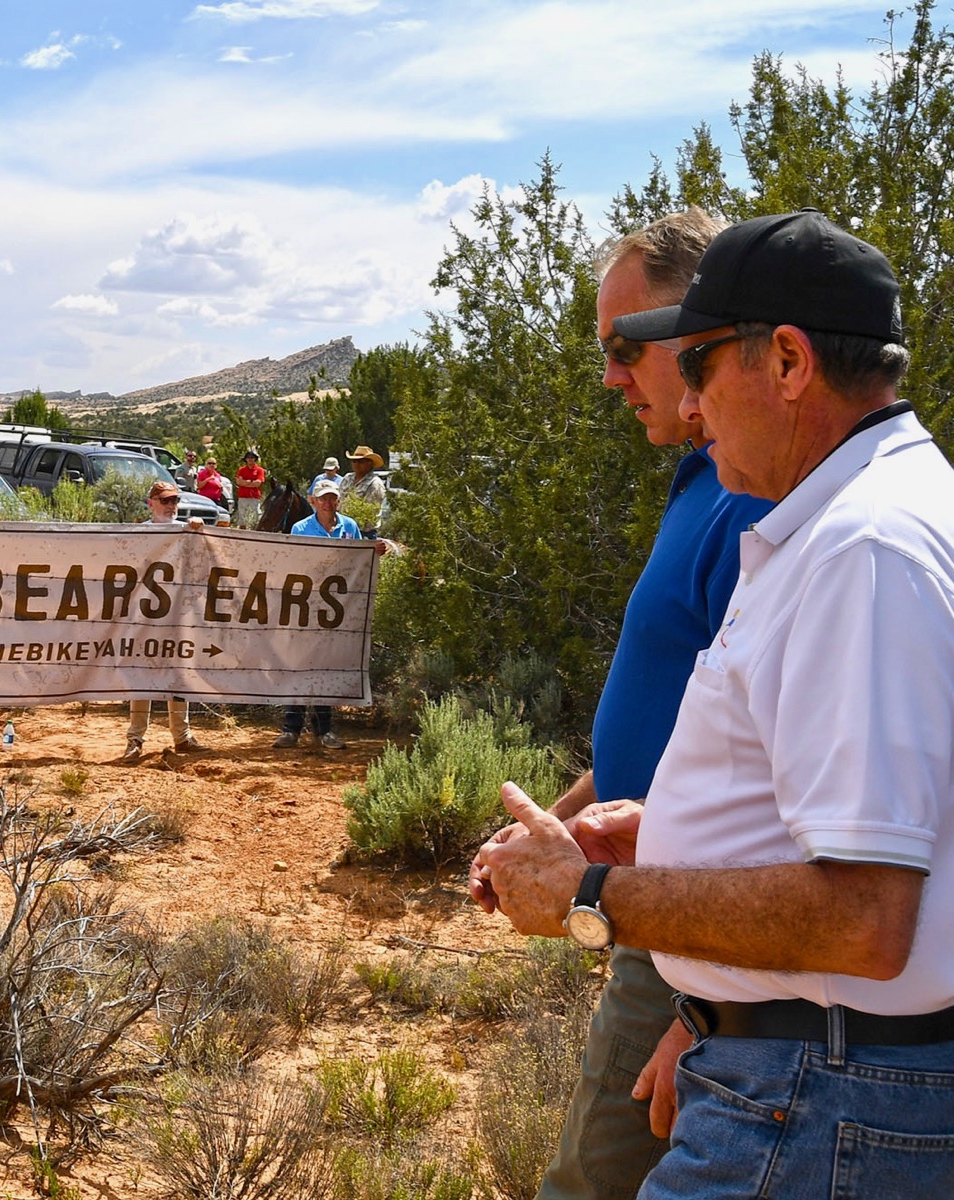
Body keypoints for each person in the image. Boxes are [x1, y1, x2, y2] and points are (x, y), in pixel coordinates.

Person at [478, 211, 954, 1197]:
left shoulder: (862, 549)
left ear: (785, 361)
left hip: (815, 1099)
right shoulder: (858, 519)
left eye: (693, 364)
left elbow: (865, 918)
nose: (686, 403)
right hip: (814, 1083)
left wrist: (586, 900)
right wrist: (674, 834)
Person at [468, 210, 771, 1200]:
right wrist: (560, 823)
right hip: (659, 902)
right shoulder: (707, 481)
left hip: (699, 926)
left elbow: (777, 767)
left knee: (591, 1177)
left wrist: (717, 1013)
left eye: (621, 347)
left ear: (696, 331)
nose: (610, 377)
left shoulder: (755, 501)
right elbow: (687, 725)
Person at [273, 478, 387, 750]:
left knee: (326, 666)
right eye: (323, 498)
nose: (328, 502)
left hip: (338, 609)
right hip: (306, 606)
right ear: (314, 500)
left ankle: (324, 729)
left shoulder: (349, 526)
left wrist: (375, 551)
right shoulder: (301, 528)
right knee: (299, 665)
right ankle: (292, 728)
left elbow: (360, 559)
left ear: (338, 500)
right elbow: (292, 561)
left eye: (332, 497)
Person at [123, 480, 205, 761]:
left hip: (179, 614)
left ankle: (182, 737)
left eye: (174, 501)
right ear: (152, 503)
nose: (171, 506)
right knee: (141, 674)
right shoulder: (141, 533)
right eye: (166, 501)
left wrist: (198, 532)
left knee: (179, 673)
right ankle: (135, 739)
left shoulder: (187, 530)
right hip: (146, 615)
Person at [339, 445, 387, 511]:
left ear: (370, 463)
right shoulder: (347, 478)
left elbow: (371, 511)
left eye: (360, 461)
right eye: (354, 461)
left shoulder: (375, 483)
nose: (356, 464)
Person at [234, 449, 265, 528]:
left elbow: (258, 483)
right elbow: (238, 482)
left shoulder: (259, 470)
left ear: (255, 459)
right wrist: (251, 482)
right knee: (242, 517)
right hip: (243, 496)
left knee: (256, 516)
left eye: (252, 457)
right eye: (248, 457)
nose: (250, 459)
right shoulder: (241, 470)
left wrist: (245, 482)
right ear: (246, 459)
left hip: (254, 497)